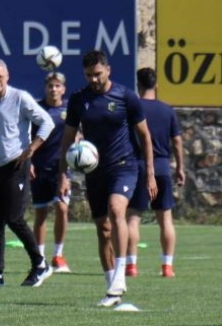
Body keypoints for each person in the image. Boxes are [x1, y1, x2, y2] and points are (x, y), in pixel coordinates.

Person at [57, 50, 158, 307]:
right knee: (103, 230)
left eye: (97, 74)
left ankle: (120, 276)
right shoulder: (79, 100)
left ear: (108, 70)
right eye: (88, 75)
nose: (93, 79)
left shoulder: (126, 96)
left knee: (116, 209)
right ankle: (112, 287)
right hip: (94, 172)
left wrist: (150, 173)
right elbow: (67, 140)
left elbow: (145, 136)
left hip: (124, 166)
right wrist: (63, 175)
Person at [0, 59, 54, 288]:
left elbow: (46, 122)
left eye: (0, 76)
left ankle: (40, 264)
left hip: (15, 166)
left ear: (7, 76)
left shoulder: (19, 98)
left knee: (14, 218)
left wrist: (31, 149)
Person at [126, 68, 185, 278]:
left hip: (138, 167)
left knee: (133, 218)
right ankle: (167, 266)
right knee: (165, 219)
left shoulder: (133, 107)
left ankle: (131, 266)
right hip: (161, 168)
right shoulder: (167, 110)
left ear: (138, 85)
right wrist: (180, 168)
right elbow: (177, 141)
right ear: (156, 85)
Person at [30, 72, 71, 273]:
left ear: (63, 89)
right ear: (45, 88)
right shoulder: (36, 110)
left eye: (57, 86)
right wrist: (28, 161)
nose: (53, 89)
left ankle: (58, 255)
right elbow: (26, 137)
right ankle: (39, 258)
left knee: (62, 208)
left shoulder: (70, 109)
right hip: (39, 167)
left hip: (61, 169)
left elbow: (77, 134)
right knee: (41, 213)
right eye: (50, 86)